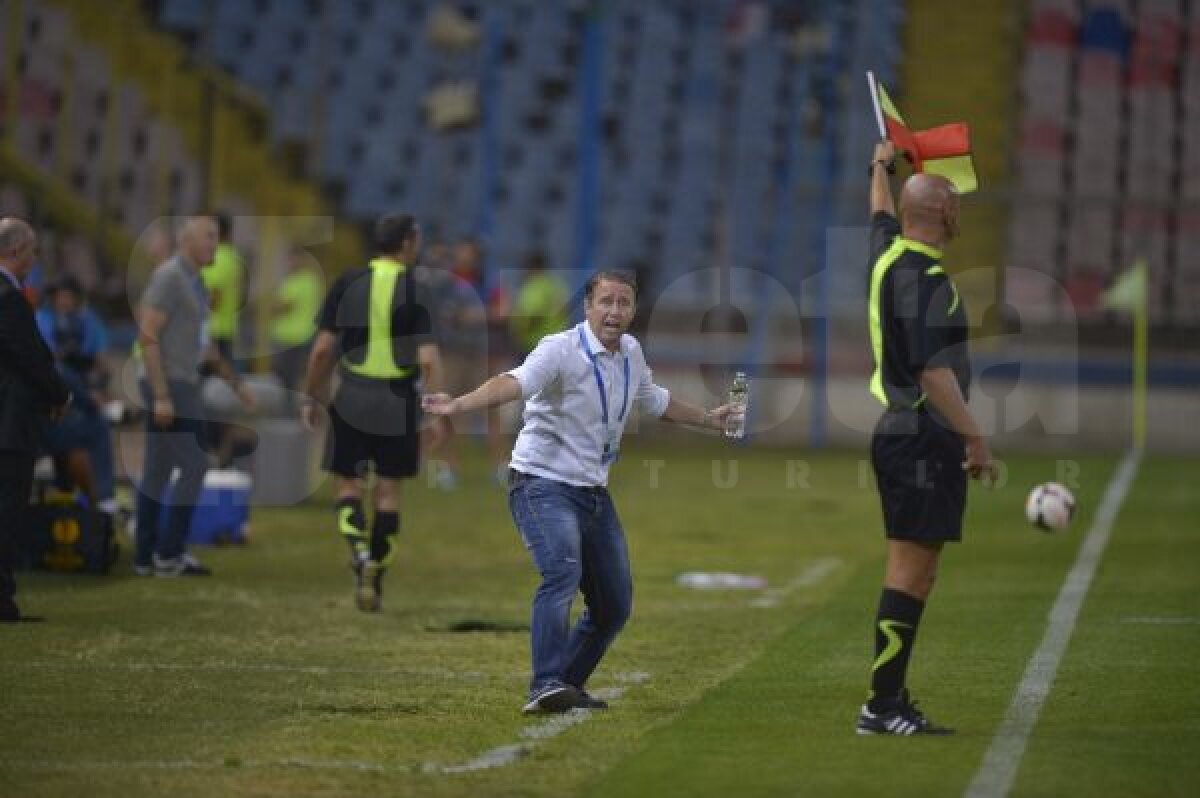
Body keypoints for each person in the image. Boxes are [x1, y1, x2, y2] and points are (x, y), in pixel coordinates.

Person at [423, 270, 738, 714]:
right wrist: (458, 404)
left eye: (624, 303)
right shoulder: (559, 349)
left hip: (592, 491)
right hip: (541, 483)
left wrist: (710, 418)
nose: (615, 311)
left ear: (633, 311)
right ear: (587, 306)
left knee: (614, 604)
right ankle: (544, 683)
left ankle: (565, 684)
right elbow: (513, 382)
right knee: (561, 574)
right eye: (606, 301)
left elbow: (653, 399)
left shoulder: (630, 351)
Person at [856, 140, 997, 735]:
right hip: (920, 435)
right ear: (941, 213)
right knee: (909, 573)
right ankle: (881, 707)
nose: (960, 210)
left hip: (902, 434)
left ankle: (887, 701)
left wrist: (880, 167)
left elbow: (879, 214)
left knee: (921, 570)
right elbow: (932, 371)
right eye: (955, 203)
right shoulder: (926, 277)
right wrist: (976, 438)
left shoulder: (889, 256)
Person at [301, 213, 444, 613]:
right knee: (388, 492)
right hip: (397, 401)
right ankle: (376, 578)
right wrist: (435, 412)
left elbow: (321, 351)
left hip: (352, 395)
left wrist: (311, 396)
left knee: (348, 485)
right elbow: (429, 362)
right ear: (407, 242)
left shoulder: (347, 282)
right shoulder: (418, 289)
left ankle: (359, 552)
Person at [135, 215, 256, 578]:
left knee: (157, 471)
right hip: (170, 383)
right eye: (208, 237)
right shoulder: (169, 277)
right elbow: (148, 335)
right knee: (194, 465)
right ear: (185, 241)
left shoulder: (195, 282)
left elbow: (204, 345)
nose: (214, 244)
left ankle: (146, 555)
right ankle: (169, 553)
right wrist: (160, 394)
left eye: (216, 237)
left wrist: (235, 384)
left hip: (180, 381)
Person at [0, 218, 70, 622]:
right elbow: (30, 356)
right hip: (9, 422)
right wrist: (59, 394)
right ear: (15, 251)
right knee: (7, 510)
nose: (36, 257)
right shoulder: (7, 298)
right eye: (33, 249)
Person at [35, 276, 119, 517]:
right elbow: (52, 366)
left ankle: (91, 503)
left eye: (68, 296)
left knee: (88, 423)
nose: (64, 301)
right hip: (57, 398)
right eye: (60, 296)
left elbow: (101, 359)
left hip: (80, 389)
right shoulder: (42, 320)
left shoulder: (88, 320)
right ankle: (103, 499)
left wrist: (99, 383)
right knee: (94, 427)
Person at [269, 244, 322, 405]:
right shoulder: (312, 280)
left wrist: (274, 304)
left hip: (291, 337)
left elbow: (282, 307)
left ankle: (290, 411)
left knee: (287, 377)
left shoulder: (300, 281)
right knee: (294, 376)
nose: (290, 262)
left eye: (293, 259)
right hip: (300, 335)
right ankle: (295, 409)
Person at [200, 213, 244, 362]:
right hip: (227, 327)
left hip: (212, 330)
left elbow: (214, 295)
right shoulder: (233, 257)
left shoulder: (218, 258)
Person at [509, 251, 568, 357]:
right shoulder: (555, 285)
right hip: (554, 345)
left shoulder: (535, 287)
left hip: (534, 345)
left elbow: (534, 315)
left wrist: (518, 331)